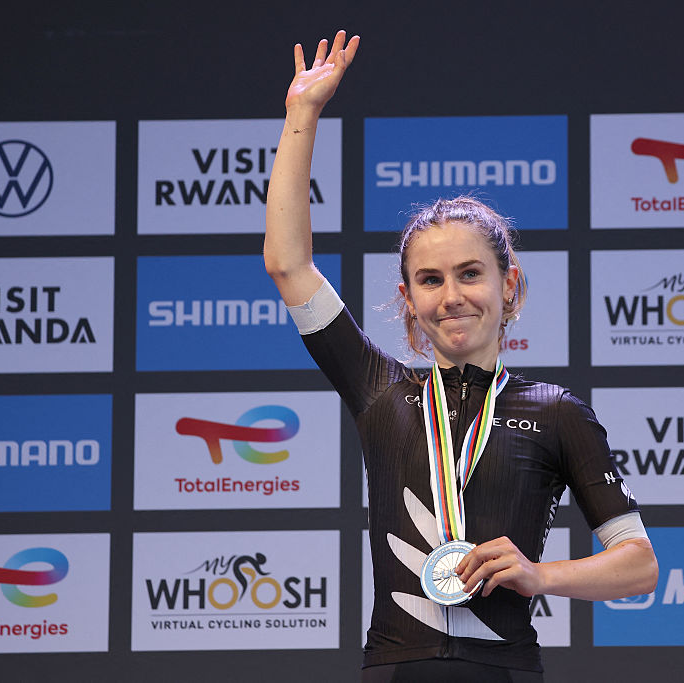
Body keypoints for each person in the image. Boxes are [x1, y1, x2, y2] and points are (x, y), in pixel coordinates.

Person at [264, 30, 658, 682]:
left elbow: (638, 562)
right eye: (431, 279)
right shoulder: (379, 391)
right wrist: (301, 115)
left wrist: (539, 574)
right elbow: (288, 262)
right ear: (408, 298)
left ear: (509, 285)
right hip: (395, 669)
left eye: (470, 273)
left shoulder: (555, 412)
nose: (452, 296)